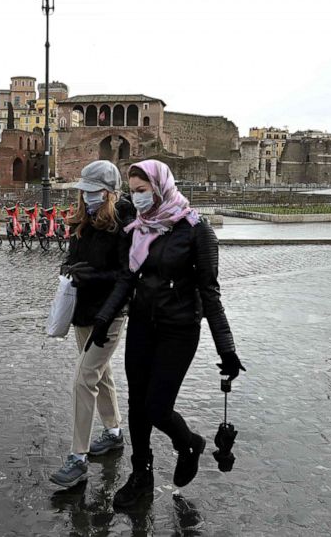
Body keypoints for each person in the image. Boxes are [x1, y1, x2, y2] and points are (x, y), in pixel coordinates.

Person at [91, 160, 243, 509]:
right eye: (132, 191)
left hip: (179, 329)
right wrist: (103, 319)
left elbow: (210, 293)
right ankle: (141, 475)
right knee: (137, 406)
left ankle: (189, 443)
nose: (137, 198)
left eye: (142, 191)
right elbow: (128, 279)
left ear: (160, 188)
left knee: (158, 408)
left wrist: (227, 349)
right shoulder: (139, 228)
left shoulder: (196, 230)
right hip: (143, 324)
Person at [50, 161, 137, 489]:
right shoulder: (83, 220)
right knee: (102, 373)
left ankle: (78, 457)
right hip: (82, 311)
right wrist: (71, 268)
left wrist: (94, 277)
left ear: (109, 193)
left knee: (83, 379)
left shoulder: (123, 224)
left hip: (109, 315)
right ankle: (114, 432)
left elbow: (126, 275)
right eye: (83, 192)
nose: (86, 198)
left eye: (93, 192)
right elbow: (75, 256)